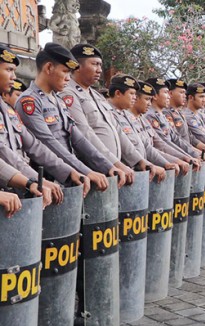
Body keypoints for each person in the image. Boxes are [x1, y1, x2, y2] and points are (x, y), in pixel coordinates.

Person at [15, 42, 115, 191]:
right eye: (65, 71)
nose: (69, 78)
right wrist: (84, 171)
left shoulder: (58, 100)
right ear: (49, 68)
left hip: (71, 177)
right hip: (49, 181)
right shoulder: (29, 101)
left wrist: (107, 166)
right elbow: (48, 143)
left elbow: (78, 138)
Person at [0, 44, 89, 204]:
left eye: (14, 70)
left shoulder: (8, 110)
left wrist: (69, 172)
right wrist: (32, 180)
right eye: (8, 70)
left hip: (17, 196)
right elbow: (3, 153)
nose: (14, 76)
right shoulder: (29, 101)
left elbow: (35, 146)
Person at [62, 44, 146, 185]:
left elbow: (117, 131)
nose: (99, 70)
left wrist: (139, 160)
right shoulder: (68, 94)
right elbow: (85, 133)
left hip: (112, 171)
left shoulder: (97, 96)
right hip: (91, 173)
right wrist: (114, 163)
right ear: (77, 66)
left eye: (100, 65)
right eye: (94, 64)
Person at [107, 74, 178, 181]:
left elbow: (147, 145)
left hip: (140, 172)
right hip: (125, 173)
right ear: (118, 93)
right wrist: (143, 163)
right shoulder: (108, 113)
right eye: (131, 93)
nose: (134, 97)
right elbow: (127, 147)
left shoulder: (127, 116)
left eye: (135, 94)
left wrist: (167, 163)